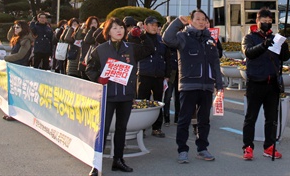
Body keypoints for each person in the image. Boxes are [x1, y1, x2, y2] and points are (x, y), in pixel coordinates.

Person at [85, 18, 155, 175]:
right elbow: (89, 68)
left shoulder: (131, 47)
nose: (119, 31)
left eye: (121, 28)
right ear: (108, 31)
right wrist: (98, 78)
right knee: (102, 129)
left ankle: (118, 160)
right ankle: (96, 164)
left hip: (126, 95)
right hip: (108, 96)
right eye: (114, 28)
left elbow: (150, 49)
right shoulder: (100, 49)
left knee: (121, 129)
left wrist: (142, 35)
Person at [162, 9, 223, 164]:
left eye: (204, 19)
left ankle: (202, 148)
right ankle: (182, 150)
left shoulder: (210, 40)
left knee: (204, 120)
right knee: (184, 119)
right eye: (198, 19)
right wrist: (176, 23)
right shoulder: (183, 37)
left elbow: (215, 63)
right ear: (191, 21)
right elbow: (167, 39)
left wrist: (219, 84)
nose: (201, 21)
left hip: (207, 86)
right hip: (189, 85)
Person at [241, 8, 290, 160]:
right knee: (251, 117)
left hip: (272, 83)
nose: (267, 24)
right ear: (257, 21)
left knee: (272, 118)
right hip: (255, 82)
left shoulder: (275, 38)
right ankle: (248, 147)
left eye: (269, 22)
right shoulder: (249, 37)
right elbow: (248, 52)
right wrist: (264, 45)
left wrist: (284, 46)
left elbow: (285, 57)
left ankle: (270, 146)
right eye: (264, 22)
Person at [135, 16, 171, 137]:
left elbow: (167, 58)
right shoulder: (140, 38)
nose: (155, 27)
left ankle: (157, 128)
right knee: (141, 102)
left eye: (156, 25)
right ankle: (140, 128)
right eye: (152, 25)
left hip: (158, 75)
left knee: (157, 102)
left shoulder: (161, 40)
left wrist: (167, 74)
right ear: (145, 26)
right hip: (144, 74)